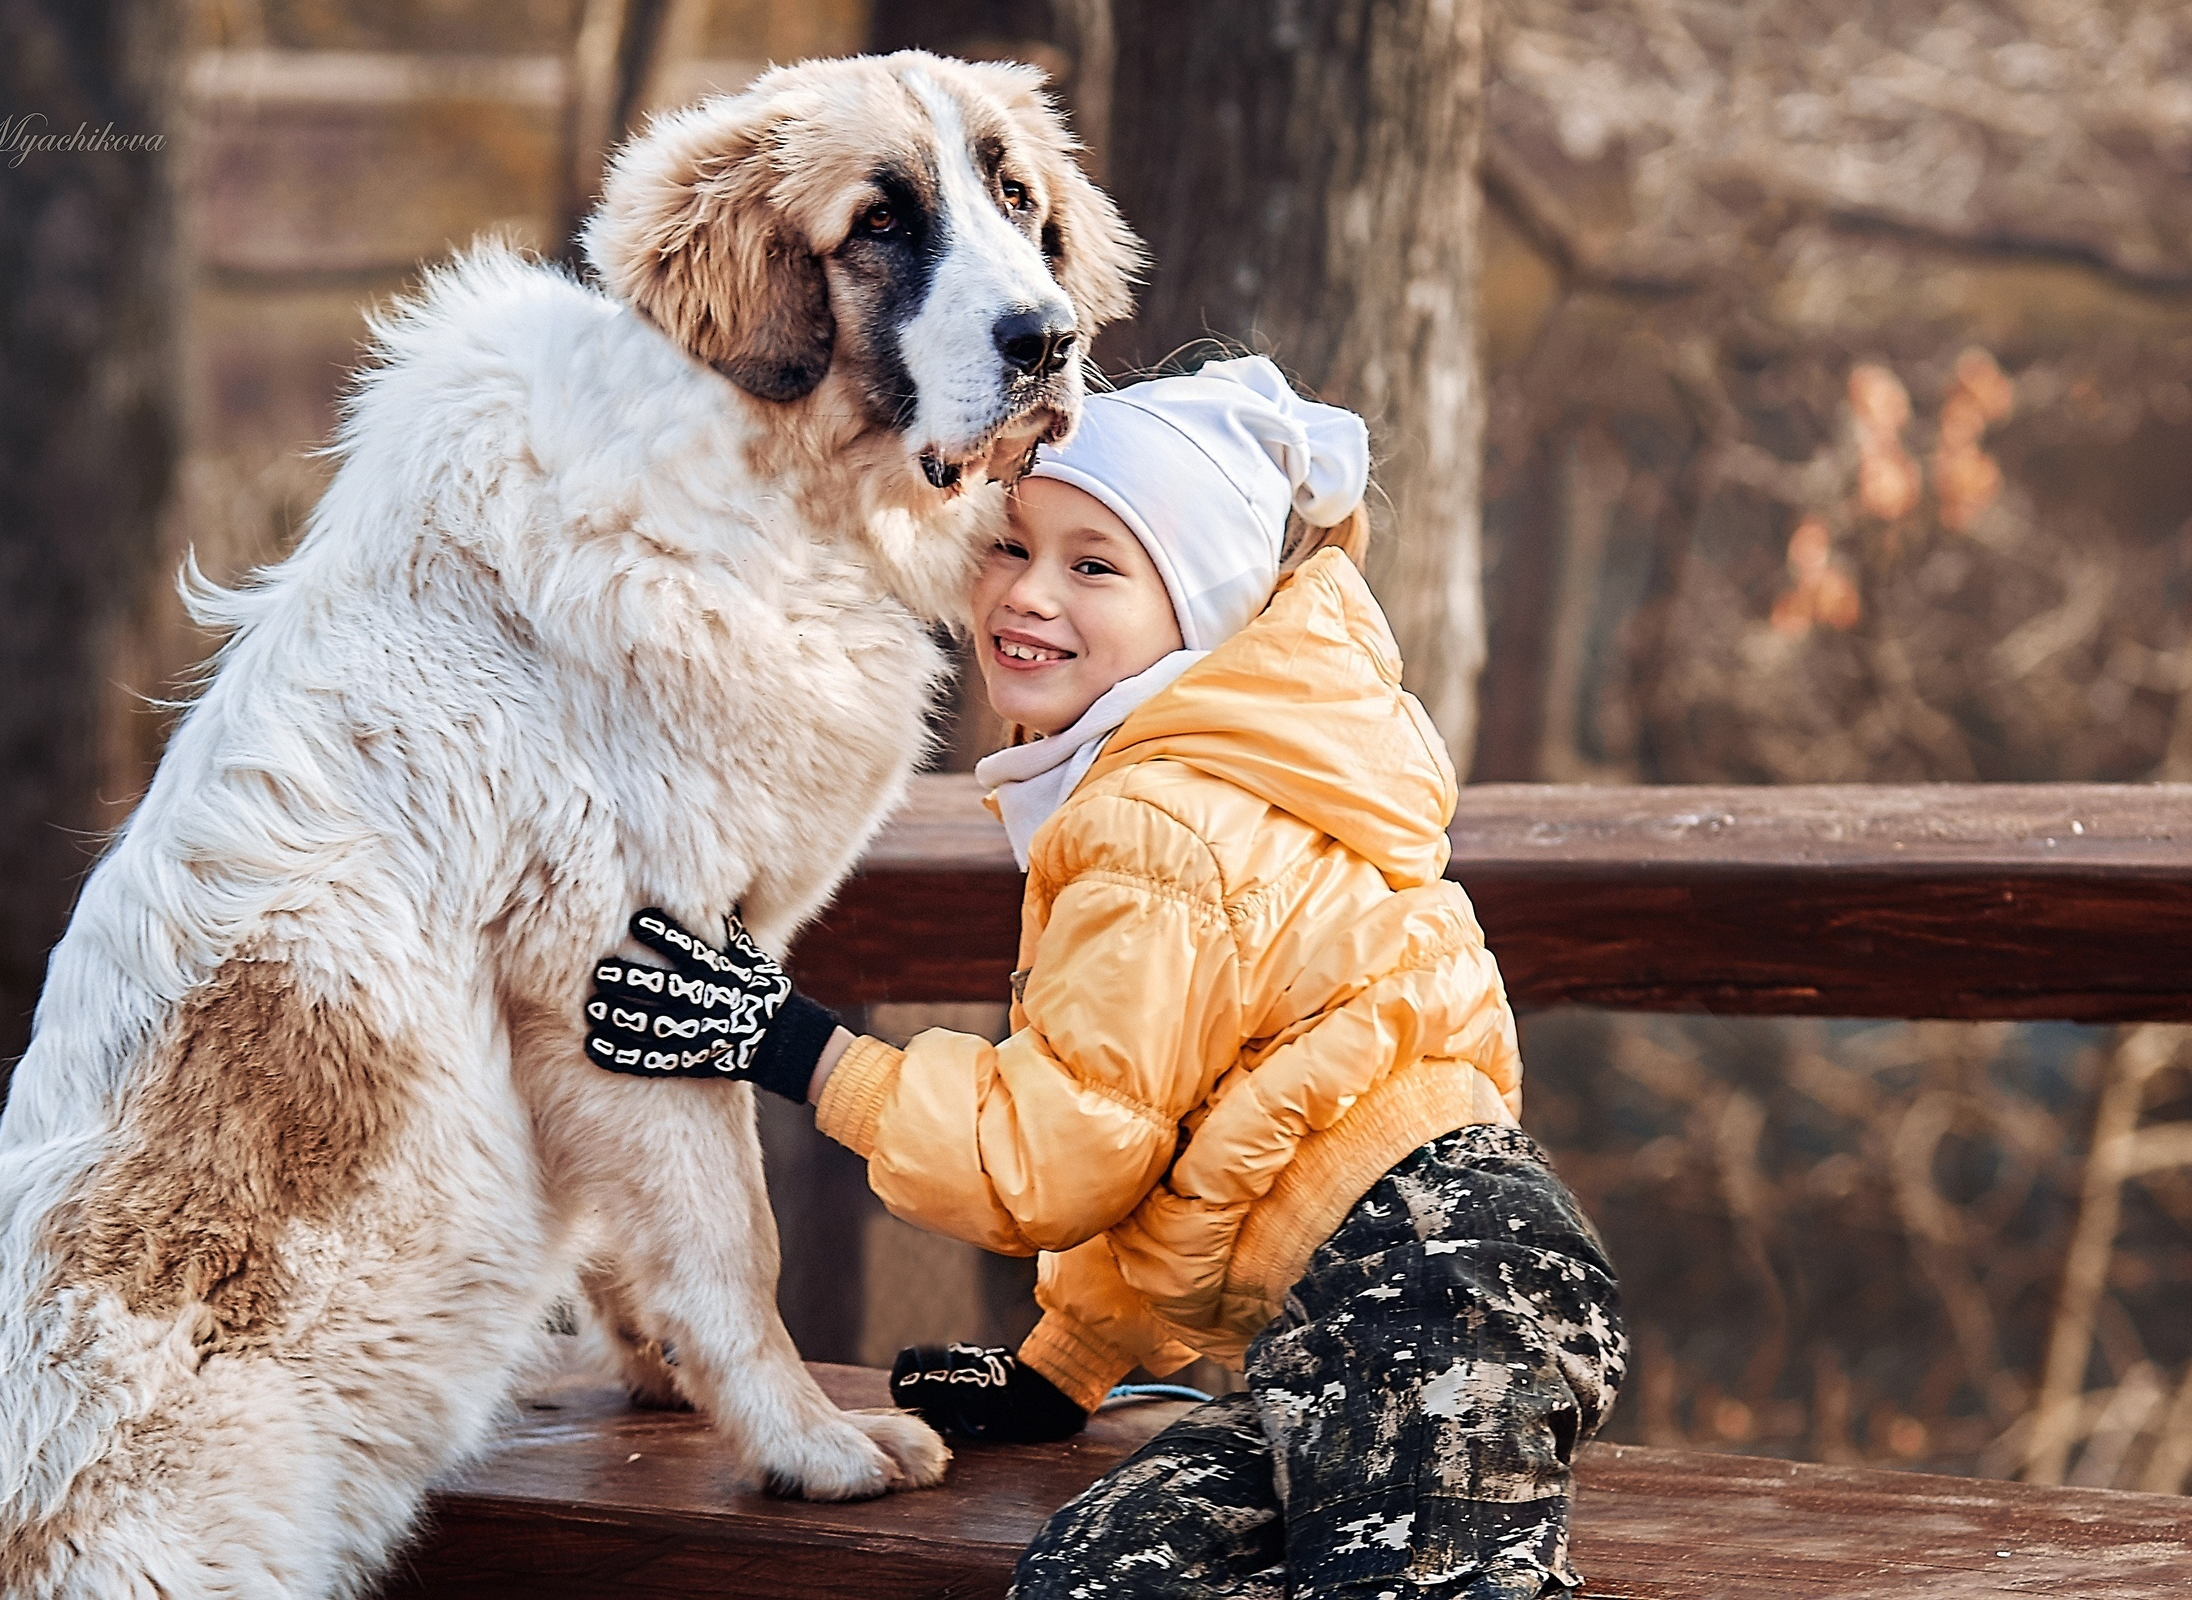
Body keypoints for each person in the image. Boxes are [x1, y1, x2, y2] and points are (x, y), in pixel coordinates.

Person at [581, 357, 1627, 1599]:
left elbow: (1061, 1148)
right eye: (1007, 542)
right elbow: (1150, 1138)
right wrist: (1061, 1369)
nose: (1026, 593)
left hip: (1432, 1284)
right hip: (1339, 1328)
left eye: (1094, 565)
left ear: (1198, 613)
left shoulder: (1160, 820)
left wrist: (800, 1051)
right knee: (1097, 1576)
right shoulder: (1164, 788)